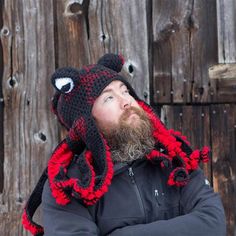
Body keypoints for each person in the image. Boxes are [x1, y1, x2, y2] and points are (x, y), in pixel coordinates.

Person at [22, 54, 226, 236]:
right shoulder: (69, 188)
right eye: (109, 98)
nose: (126, 101)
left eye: (125, 91)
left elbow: (213, 224)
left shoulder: (175, 163)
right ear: (85, 124)